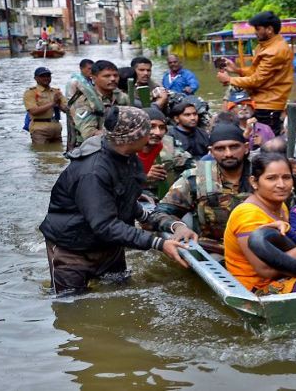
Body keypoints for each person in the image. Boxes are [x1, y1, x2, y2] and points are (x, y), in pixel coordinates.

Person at [40, 106, 196, 294]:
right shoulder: (94, 172)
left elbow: (131, 205)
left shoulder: (127, 158)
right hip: (72, 250)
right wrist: (159, 244)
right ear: (134, 136)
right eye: (148, 129)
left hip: (109, 247)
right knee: (71, 307)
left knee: (120, 295)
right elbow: (105, 225)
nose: (154, 134)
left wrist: (175, 226)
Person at [223, 153, 296, 295]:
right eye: (271, 178)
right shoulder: (248, 215)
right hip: (255, 288)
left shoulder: (280, 206)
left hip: (287, 274)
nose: (281, 185)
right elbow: (266, 271)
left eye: (286, 177)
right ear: (254, 182)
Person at [154, 123, 252, 255]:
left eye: (234, 147)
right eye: (220, 149)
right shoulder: (197, 177)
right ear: (211, 152)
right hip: (216, 251)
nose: (228, 153)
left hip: (260, 247)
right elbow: (158, 213)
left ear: (246, 148)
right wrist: (178, 227)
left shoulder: (264, 174)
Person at [217, 11, 294, 135]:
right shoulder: (265, 46)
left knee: (266, 141)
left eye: (258, 29)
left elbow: (257, 80)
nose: (255, 32)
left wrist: (229, 80)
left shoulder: (274, 51)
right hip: (261, 101)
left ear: (269, 29)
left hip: (269, 104)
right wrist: (237, 70)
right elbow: (256, 72)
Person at [70, 60, 131, 146]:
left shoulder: (122, 97)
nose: (113, 79)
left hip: (118, 146)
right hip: (91, 149)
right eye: (107, 76)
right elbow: (89, 133)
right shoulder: (84, 101)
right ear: (94, 78)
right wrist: (121, 135)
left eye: (115, 75)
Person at [137, 107, 193, 200]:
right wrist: (142, 177)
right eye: (152, 126)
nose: (157, 132)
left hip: (165, 201)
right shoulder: (124, 152)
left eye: (162, 128)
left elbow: (198, 171)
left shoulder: (172, 152)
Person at [24, 67, 67, 144]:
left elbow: (66, 109)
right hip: (40, 129)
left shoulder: (56, 91)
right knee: (42, 153)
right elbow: (33, 111)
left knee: (58, 153)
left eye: (48, 76)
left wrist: (60, 104)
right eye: (42, 76)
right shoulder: (31, 92)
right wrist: (52, 103)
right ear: (36, 78)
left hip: (56, 128)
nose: (46, 78)